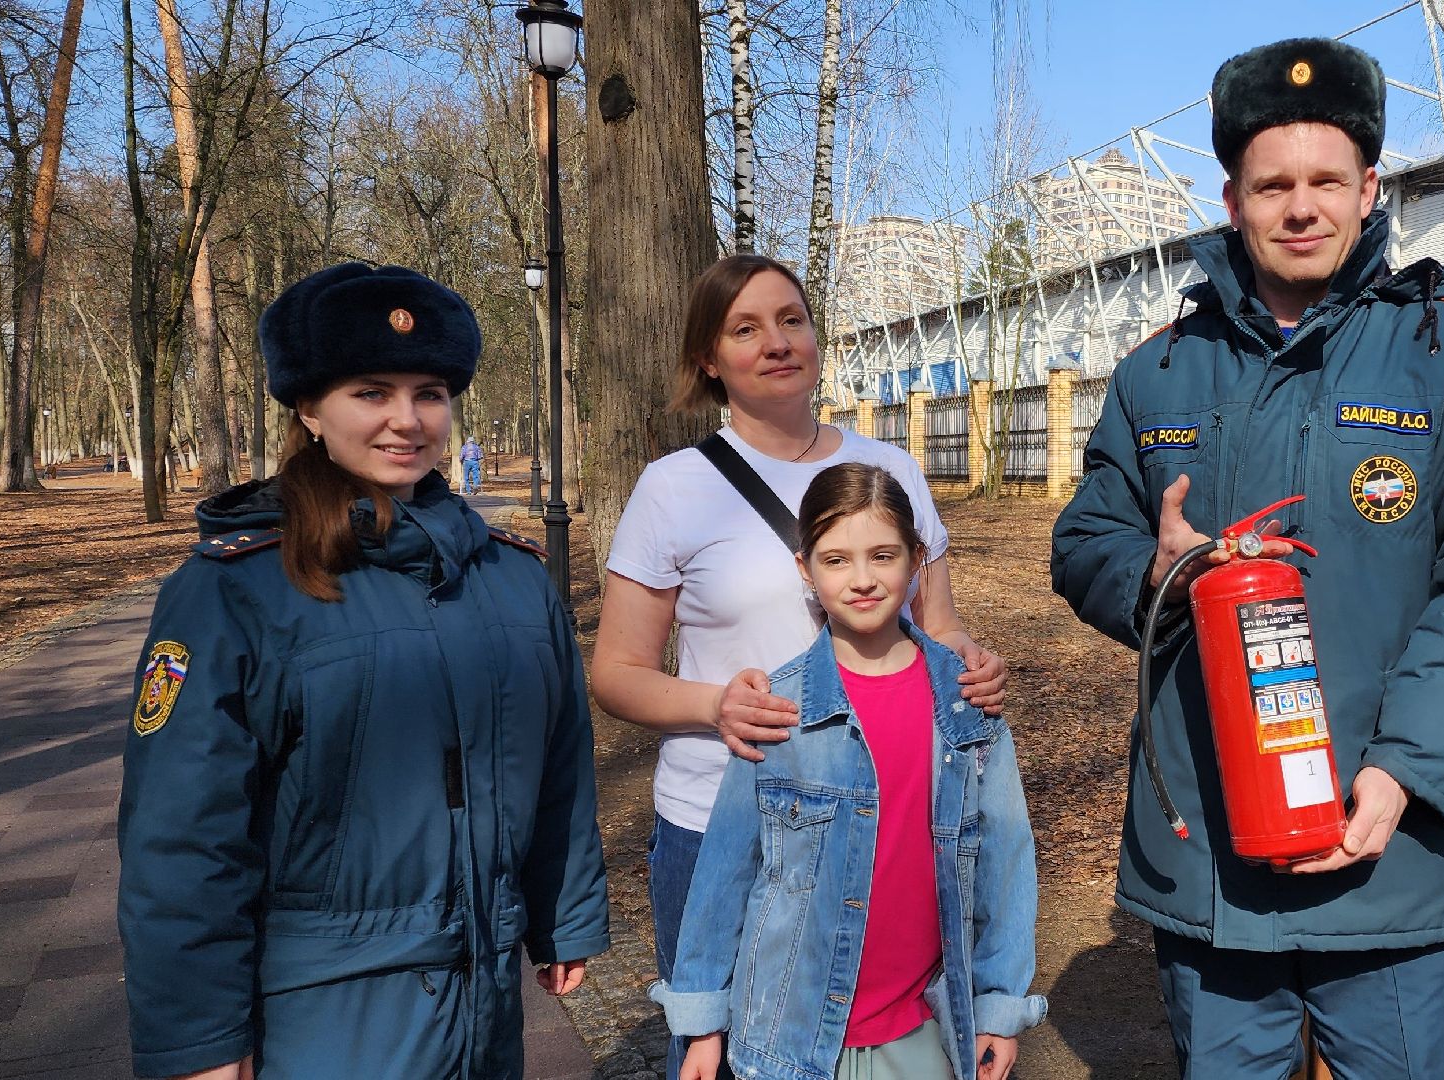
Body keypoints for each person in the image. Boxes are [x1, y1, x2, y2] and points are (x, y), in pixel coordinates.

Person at [1050, 37, 1444, 1077]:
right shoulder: (1160, 371)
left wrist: (1405, 771)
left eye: (1328, 180)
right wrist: (1159, 573)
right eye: (1272, 184)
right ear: (1231, 198)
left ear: (1371, 190)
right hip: (1214, 870)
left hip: (1394, 867)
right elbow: (1087, 537)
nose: (1301, 207)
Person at [117, 262, 609, 1079]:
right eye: (372, 392)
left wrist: (563, 914)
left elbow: (558, 761)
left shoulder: (514, 579)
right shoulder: (233, 590)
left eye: (429, 393)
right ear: (309, 408)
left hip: (485, 998)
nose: (406, 420)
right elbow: (183, 834)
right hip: (324, 1012)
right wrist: (199, 1040)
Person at [589, 254, 1008, 1079]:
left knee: (886, 1041)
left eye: (791, 320)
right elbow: (616, 672)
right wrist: (718, 707)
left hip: (886, 815)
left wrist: (974, 667)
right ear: (708, 358)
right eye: (744, 329)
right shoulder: (674, 488)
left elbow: (939, 628)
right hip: (721, 823)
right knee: (731, 1052)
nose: (776, 342)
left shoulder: (894, 469)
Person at [651, 463, 1044, 1080]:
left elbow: (1006, 860)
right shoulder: (777, 710)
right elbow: (726, 871)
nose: (862, 579)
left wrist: (999, 1005)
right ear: (805, 569)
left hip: (924, 1031)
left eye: (882, 555)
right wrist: (702, 1022)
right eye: (836, 560)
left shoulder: (967, 706)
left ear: (917, 561)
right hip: (788, 1033)